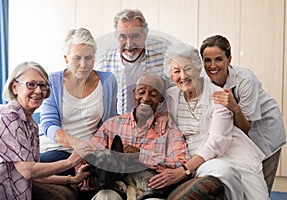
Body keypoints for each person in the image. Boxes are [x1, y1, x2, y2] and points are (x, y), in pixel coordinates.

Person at [149, 43, 269, 200]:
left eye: (188, 68)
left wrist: (184, 170)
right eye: (177, 71)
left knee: (232, 176)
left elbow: (217, 142)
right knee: (220, 172)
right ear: (171, 77)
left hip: (228, 153)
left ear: (199, 69)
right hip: (193, 158)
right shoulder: (170, 96)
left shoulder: (218, 95)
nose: (183, 76)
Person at [0, 61, 88, 200]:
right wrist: (70, 162)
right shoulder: (6, 117)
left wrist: (73, 180)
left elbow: (36, 175)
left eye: (43, 85)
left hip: (20, 191)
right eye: (31, 84)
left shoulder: (32, 125)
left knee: (66, 194)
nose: (39, 91)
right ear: (15, 87)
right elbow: (28, 171)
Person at [200, 35, 286, 192]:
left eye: (219, 59)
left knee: (260, 184)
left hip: (264, 132)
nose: (213, 65)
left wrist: (235, 107)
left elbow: (246, 127)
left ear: (229, 59)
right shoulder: (203, 80)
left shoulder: (245, 80)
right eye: (207, 60)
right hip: (235, 135)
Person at [88, 73, 189, 200]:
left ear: (161, 99)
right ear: (134, 93)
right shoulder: (112, 125)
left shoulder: (170, 132)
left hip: (149, 191)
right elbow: (90, 156)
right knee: (105, 196)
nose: (146, 98)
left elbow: (182, 163)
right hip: (114, 187)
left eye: (153, 94)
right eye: (141, 92)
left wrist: (142, 155)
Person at [39, 27, 118, 178]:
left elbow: (110, 124)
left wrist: (91, 152)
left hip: (92, 152)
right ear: (66, 58)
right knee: (46, 167)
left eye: (88, 58)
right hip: (57, 149)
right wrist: (79, 148)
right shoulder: (52, 81)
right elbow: (49, 125)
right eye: (77, 58)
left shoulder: (108, 81)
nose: (83, 64)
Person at [95, 8, 173, 115]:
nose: (129, 43)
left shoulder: (164, 51)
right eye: (123, 36)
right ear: (116, 37)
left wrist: (166, 112)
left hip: (157, 123)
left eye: (135, 36)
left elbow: (176, 89)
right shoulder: (104, 63)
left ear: (145, 35)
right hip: (121, 124)